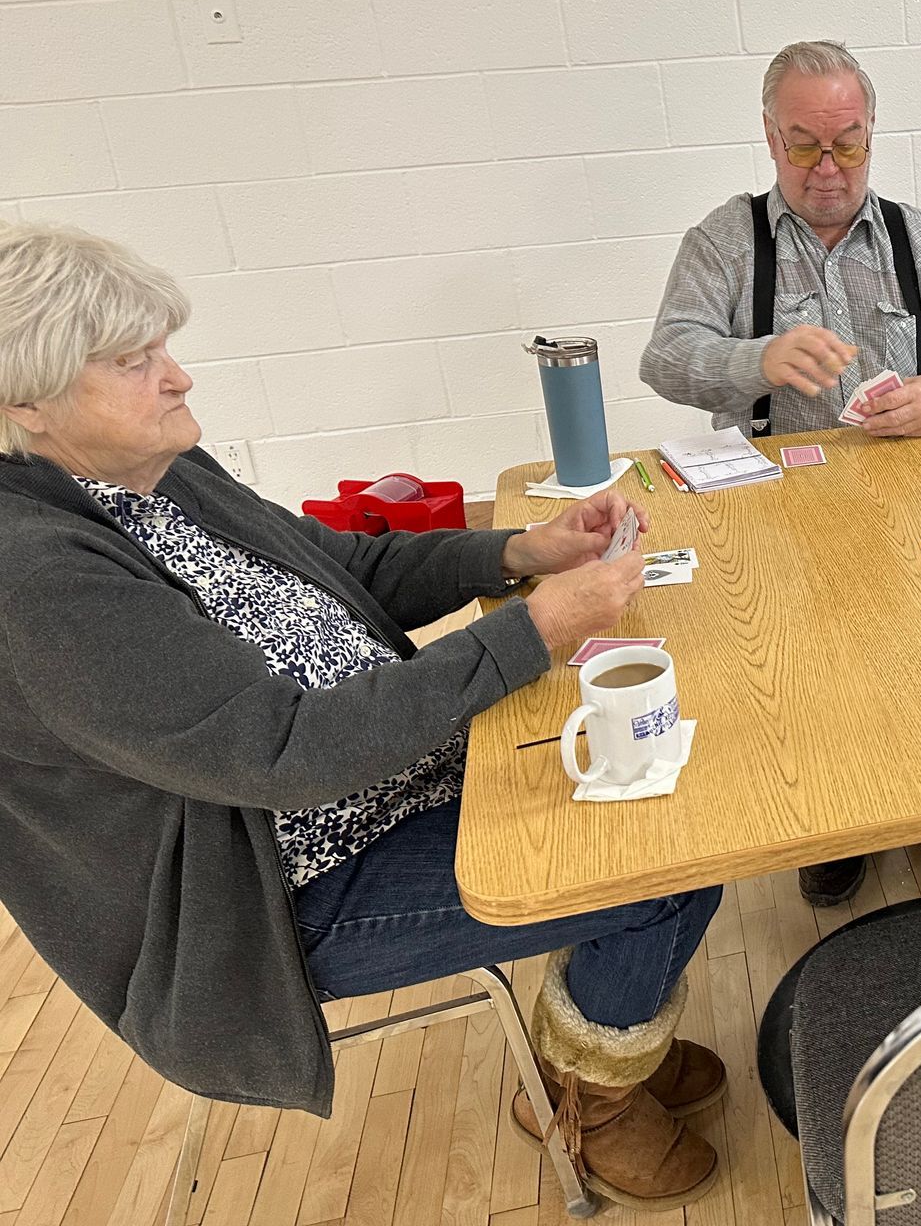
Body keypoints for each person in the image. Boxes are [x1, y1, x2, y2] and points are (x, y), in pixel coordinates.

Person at [0, 226, 724, 1211]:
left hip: (388, 772)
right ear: (26, 405)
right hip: (270, 898)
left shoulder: (151, 471)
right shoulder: (37, 581)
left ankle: (608, 1032)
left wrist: (521, 551)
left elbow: (343, 567)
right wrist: (534, 634)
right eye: (135, 362)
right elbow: (287, 751)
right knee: (663, 869)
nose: (179, 377)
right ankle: (587, 1095)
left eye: (164, 348)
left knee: (680, 801)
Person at [641, 39, 921, 905]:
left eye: (847, 142)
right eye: (805, 144)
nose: (826, 167)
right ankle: (836, 819)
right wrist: (756, 358)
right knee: (813, 674)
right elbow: (666, 359)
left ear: (872, 135)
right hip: (779, 510)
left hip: (915, 499)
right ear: (770, 138)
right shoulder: (725, 242)